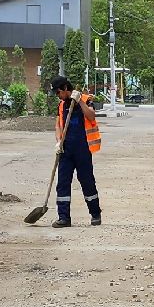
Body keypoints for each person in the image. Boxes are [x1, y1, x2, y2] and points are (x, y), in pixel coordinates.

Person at [52, 77, 101, 228]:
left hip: (82, 149)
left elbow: (91, 116)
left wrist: (80, 101)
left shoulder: (86, 100)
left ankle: (95, 214)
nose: (58, 95)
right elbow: (58, 125)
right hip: (66, 150)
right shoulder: (61, 105)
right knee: (62, 183)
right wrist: (58, 142)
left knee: (87, 181)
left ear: (65, 88)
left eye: (58, 92)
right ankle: (64, 217)